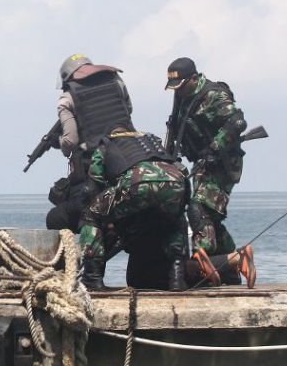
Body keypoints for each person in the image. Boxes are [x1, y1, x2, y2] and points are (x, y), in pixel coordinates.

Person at [163, 57, 251, 285]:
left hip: (221, 162)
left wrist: (215, 147)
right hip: (201, 162)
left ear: (194, 79)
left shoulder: (213, 95)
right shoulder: (181, 97)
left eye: (182, 86)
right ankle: (231, 265)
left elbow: (237, 122)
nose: (178, 91)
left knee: (198, 208)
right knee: (211, 218)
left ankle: (201, 263)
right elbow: (176, 126)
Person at [78, 127, 189, 292]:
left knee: (92, 215)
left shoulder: (107, 144)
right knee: (175, 219)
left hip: (137, 182)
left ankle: (92, 278)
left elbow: (92, 186)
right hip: (175, 181)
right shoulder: (153, 142)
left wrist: (103, 212)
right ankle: (176, 276)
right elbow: (182, 170)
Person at [45, 54, 134, 232]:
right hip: (130, 160)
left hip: (95, 174)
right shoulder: (117, 82)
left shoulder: (67, 98)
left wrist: (59, 140)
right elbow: (128, 110)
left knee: (55, 218)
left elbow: (70, 142)